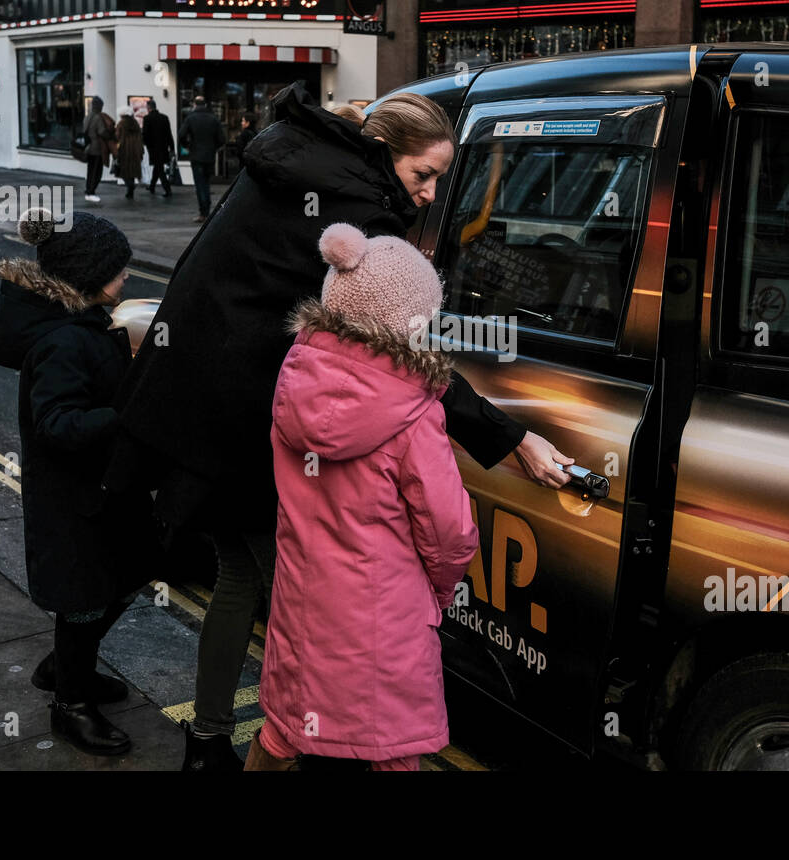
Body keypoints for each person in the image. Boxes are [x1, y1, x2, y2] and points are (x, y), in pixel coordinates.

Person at [101, 82, 573, 772]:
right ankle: (309, 741)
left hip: (204, 408)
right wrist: (511, 435)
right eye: (424, 175)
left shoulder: (301, 160)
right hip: (240, 423)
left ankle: (213, 741)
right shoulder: (356, 207)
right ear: (384, 152)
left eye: (440, 179)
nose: (429, 195)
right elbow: (403, 360)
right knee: (301, 606)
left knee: (242, 580)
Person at [246, 223, 479, 771]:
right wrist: (437, 593)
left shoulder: (294, 380)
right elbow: (450, 533)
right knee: (393, 749)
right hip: (385, 618)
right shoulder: (416, 413)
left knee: (285, 730)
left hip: (302, 601)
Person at [0, 208, 159, 756]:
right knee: (83, 600)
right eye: (118, 267)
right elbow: (58, 425)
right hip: (74, 500)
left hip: (106, 491)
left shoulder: (84, 325)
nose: (127, 275)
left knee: (133, 572)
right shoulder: (63, 341)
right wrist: (128, 414)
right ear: (89, 276)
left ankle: (68, 667)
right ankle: (71, 704)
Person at [178, 95, 224, 224]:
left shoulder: (190, 118)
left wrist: (188, 146)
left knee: (200, 185)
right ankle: (207, 211)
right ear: (205, 105)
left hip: (196, 155)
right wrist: (213, 147)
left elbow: (181, 134)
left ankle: (203, 213)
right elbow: (221, 139)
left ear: (194, 105)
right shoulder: (213, 119)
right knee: (206, 183)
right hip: (209, 156)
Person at [81, 96, 114, 203]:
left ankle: (88, 191)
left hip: (88, 148)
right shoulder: (98, 117)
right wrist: (111, 136)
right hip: (96, 149)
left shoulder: (87, 117)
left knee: (90, 171)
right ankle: (91, 192)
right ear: (99, 106)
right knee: (97, 172)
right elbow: (102, 132)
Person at [142, 100, 175, 197]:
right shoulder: (164, 118)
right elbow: (169, 134)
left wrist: (146, 145)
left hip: (153, 148)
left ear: (148, 108)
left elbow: (145, 135)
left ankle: (167, 189)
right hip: (163, 147)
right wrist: (172, 148)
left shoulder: (147, 118)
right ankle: (152, 186)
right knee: (158, 167)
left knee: (159, 169)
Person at [114, 106, 144, 200]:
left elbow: (117, 136)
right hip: (135, 150)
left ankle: (130, 186)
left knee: (123, 170)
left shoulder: (121, 124)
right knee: (132, 170)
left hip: (124, 150)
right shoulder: (135, 123)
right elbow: (140, 136)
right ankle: (130, 192)